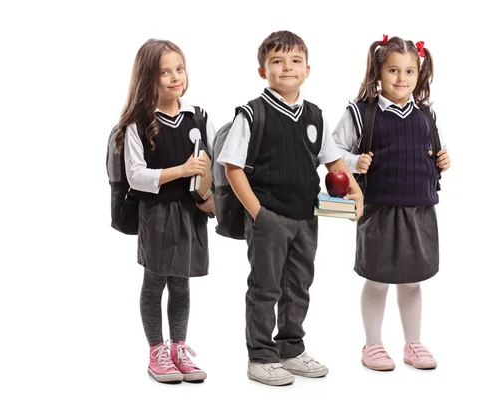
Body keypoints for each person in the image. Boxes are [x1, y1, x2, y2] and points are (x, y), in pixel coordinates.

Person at [217, 30, 364, 386]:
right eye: (277, 61)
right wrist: (258, 215)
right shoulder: (252, 114)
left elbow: (333, 162)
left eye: (295, 61)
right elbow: (232, 167)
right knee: (265, 287)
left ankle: (291, 349)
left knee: (298, 285)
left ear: (308, 69)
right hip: (268, 217)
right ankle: (261, 356)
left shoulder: (315, 115)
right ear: (262, 71)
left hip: (306, 218)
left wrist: (356, 192)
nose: (287, 67)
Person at [332, 35, 451, 371]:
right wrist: (355, 163)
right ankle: (372, 345)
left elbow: (428, 152)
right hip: (379, 208)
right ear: (379, 72)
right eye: (394, 70)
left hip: (419, 208)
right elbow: (332, 152)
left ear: (419, 74)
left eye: (409, 71)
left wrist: (442, 160)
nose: (402, 78)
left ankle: (413, 344)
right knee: (378, 277)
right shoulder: (360, 113)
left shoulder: (426, 114)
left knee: (412, 280)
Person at [114, 39, 215, 383]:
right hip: (157, 214)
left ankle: (179, 349)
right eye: (164, 72)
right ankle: (157, 350)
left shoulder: (198, 117)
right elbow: (136, 175)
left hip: (190, 214)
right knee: (155, 281)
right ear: (148, 78)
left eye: (179, 69)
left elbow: (213, 165)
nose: (175, 77)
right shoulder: (138, 124)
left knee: (182, 284)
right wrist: (182, 171)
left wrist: (209, 192)